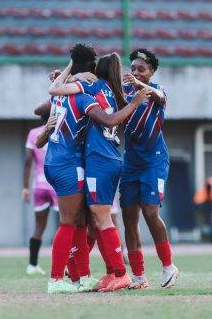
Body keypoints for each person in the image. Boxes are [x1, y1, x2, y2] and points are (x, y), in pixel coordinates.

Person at [40, 46, 150, 294]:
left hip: (96, 160)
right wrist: (72, 75)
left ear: (93, 73)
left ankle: (115, 273)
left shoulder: (88, 90)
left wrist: (71, 76)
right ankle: (98, 274)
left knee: (95, 219)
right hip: (103, 158)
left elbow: (50, 97)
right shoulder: (110, 90)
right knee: (90, 219)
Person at [119, 48, 178, 290]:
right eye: (132, 68)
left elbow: (159, 97)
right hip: (130, 162)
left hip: (154, 161)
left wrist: (141, 85)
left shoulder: (158, 92)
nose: (135, 73)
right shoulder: (124, 93)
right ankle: (139, 276)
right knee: (129, 218)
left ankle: (168, 266)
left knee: (150, 212)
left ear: (151, 72)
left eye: (141, 69)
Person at [22, 114, 58, 275]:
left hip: (39, 184)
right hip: (57, 184)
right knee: (64, 226)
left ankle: (32, 265)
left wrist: (25, 187)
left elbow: (28, 161)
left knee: (38, 226)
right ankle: (62, 265)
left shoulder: (33, 133)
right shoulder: (60, 129)